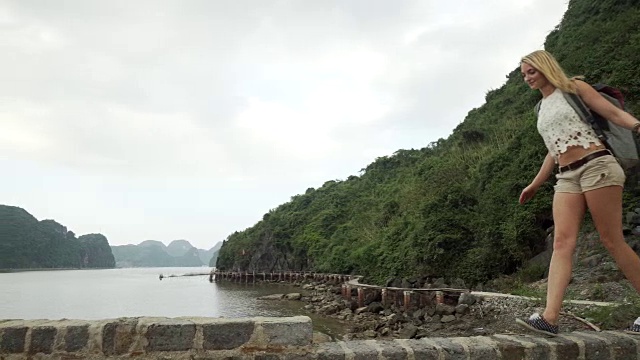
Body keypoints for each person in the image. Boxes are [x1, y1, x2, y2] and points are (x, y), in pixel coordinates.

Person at [516, 50, 640, 336]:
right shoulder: (541, 108)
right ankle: (549, 317)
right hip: (566, 176)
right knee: (561, 243)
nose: (527, 78)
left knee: (611, 240)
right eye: (524, 75)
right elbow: (553, 149)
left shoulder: (574, 88)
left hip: (597, 165)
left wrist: (636, 125)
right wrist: (535, 184)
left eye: (531, 72)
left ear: (545, 67)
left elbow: (611, 112)